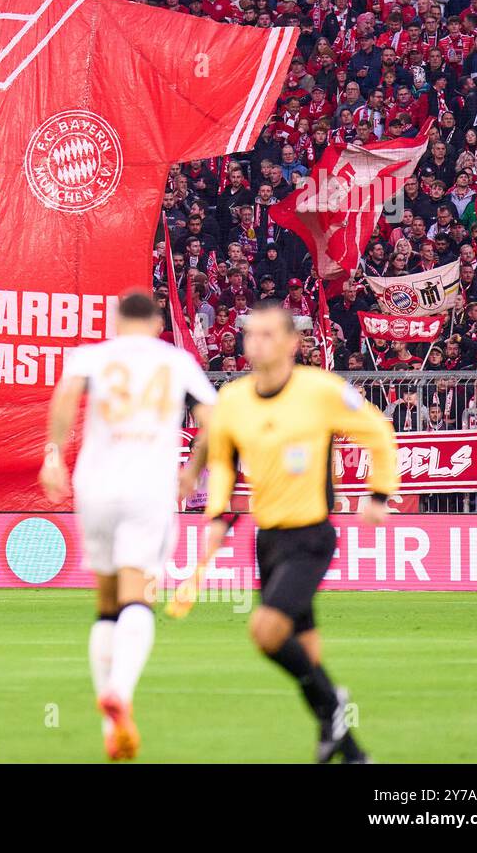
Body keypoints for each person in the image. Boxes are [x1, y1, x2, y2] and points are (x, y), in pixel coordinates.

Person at [199, 304, 397, 763]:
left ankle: (335, 707)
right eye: (251, 334)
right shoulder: (233, 397)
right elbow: (224, 464)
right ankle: (351, 750)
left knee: (266, 632)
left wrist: (380, 494)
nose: (258, 342)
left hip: (310, 536)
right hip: (266, 540)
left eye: (269, 334)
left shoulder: (320, 390)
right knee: (307, 655)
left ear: (292, 343)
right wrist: (216, 518)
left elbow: (377, 431)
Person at [38, 292, 216, 761]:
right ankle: (120, 690)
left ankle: (107, 726)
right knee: (136, 593)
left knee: (105, 598)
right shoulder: (176, 361)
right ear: (158, 322)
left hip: (94, 486)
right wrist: (192, 470)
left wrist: (53, 456)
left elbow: (65, 396)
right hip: (147, 489)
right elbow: (212, 423)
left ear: (117, 321)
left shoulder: (92, 355)